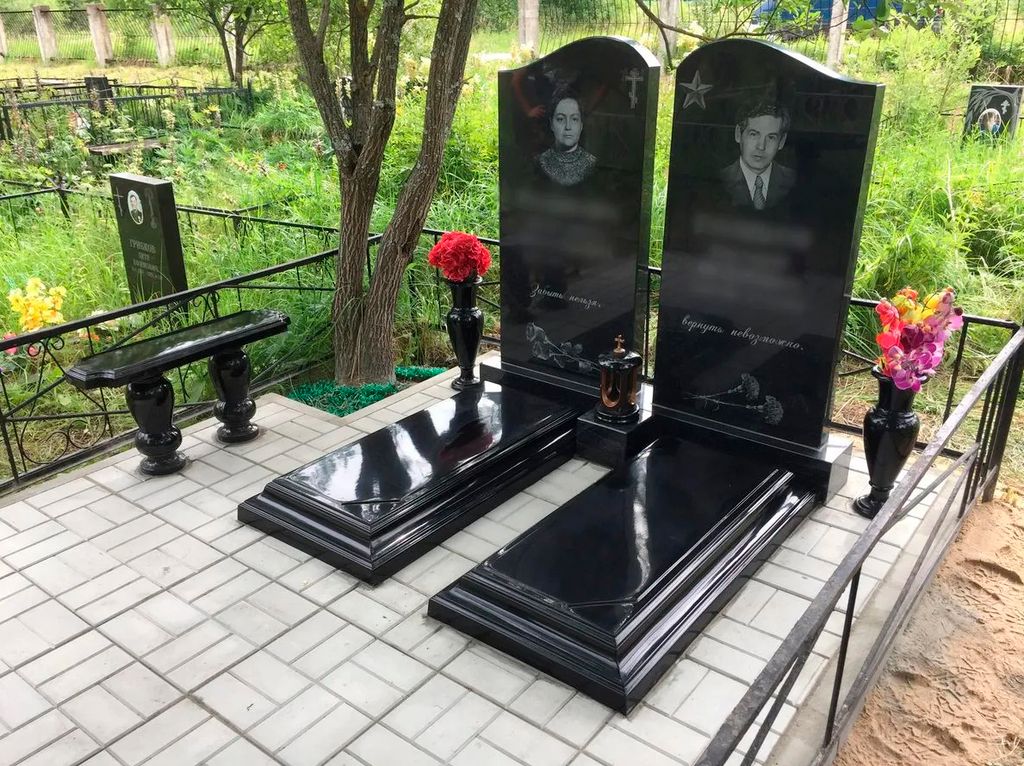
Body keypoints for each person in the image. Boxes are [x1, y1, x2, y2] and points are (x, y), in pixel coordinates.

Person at [719, 100, 795, 211]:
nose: (761, 146)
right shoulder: (719, 180)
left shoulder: (794, 181)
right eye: (753, 134)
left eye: (771, 137)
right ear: (738, 134)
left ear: (782, 141)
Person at [536, 94, 597, 187]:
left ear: (581, 125)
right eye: (561, 119)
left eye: (574, 119)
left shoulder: (591, 164)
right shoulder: (540, 163)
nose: (568, 127)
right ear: (552, 124)